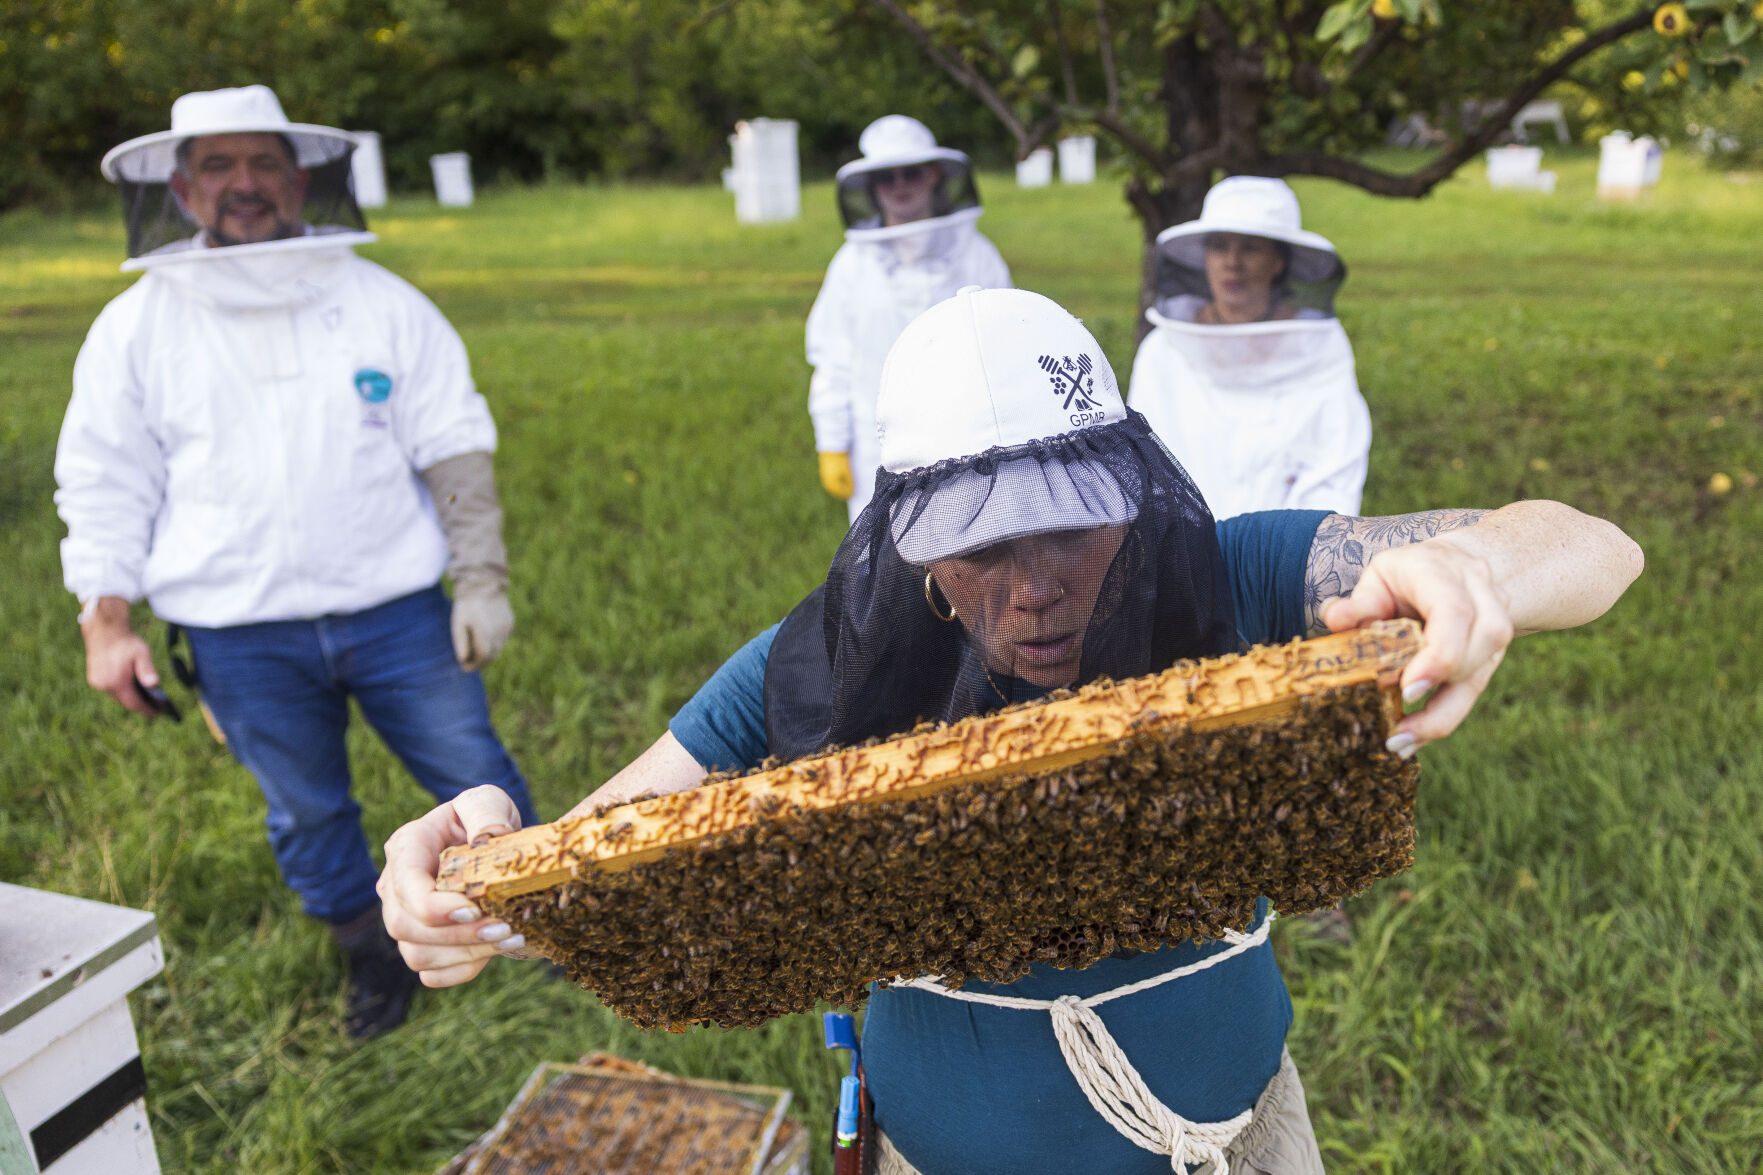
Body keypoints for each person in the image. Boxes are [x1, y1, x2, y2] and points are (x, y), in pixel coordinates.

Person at [379, 289, 1642, 1172]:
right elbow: (580, 856)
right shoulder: (808, 668)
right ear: (915, 545)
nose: (1034, 585)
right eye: (984, 544)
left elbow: (1591, 545)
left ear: (1131, 497)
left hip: (1234, 1144)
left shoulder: (1240, 580)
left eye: (1072, 528)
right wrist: (467, 871)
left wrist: (1476, 565)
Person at [54, 85, 540, 1040]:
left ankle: (532, 920)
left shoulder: (382, 303)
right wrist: (105, 622)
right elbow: (105, 477)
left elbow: (453, 444)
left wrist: (480, 576)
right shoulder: (135, 327)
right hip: (236, 634)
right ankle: (373, 961)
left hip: (397, 612)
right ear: (184, 191)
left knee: (472, 768)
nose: (245, 184)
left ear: (302, 176)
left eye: (264, 162)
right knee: (308, 810)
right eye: (220, 166)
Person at [1127, 176, 1372, 521]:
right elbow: (1146, 471)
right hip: (1184, 557)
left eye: (1250, 248)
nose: (1232, 262)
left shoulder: (1318, 348)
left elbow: (1333, 471)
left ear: (1278, 261)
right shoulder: (1163, 351)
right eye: (1219, 246)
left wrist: (1277, 556)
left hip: (1282, 561)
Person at [806, 115, 1011, 522]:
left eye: (911, 172)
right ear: (870, 187)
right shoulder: (851, 265)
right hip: (876, 441)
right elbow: (833, 357)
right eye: (886, 177)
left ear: (934, 174)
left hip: (967, 435)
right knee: (885, 568)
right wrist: (832, 442)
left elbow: (1006, 343)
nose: (900, 185)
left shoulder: (977, 254)